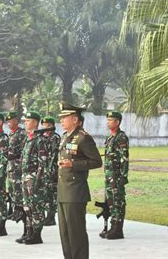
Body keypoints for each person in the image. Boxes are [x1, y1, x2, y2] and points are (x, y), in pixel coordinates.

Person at [57, 101, 102, 259]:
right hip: (63, 191)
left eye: (65, 117)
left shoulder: (83, 138)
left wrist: (73, 164)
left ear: (75, 119)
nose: (61, 120)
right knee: (65, 233)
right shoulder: (64, 137)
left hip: (75, 192)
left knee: (76, 233)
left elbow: (97, 161)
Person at [18, 111, 49, 245]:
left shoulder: (40, 140)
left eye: (28, 121)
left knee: (36, 206)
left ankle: (37, 234)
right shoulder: (28, 138)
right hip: (25, 176)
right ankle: (29, 231)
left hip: (34, 177)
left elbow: (43, 162)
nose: (25, 123)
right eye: (25, 121)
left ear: (36, 123)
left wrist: (38, 180)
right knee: (27, 206)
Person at [101, 111, 129, 239]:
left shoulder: (121, 137)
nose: (108, 122)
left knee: (118, 201)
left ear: (117, 122)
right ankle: (112, 226)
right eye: (107, 120)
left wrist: (123, 175)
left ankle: (118, 229)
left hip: (117, 176)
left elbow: (124, 157)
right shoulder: (109, 138)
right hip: (109, 175)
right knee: (111, 201)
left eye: (110, 120)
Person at [5, 111, 27, 222]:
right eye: (7, 122)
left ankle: (20, 211)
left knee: (18, 190)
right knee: (12, 189)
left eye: (10, 121)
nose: (9, 123)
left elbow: (24, 150)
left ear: (16, 121)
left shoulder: (21, 133)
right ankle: (15, 211)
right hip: (10, 166)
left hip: (17, 166)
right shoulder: (10, 134)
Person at [41, 116, 61, 226]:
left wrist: (51, 170)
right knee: (46, 193)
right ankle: (48, 215)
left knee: (52, 193)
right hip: (44, 170)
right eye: (44, 125)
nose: (45, 127)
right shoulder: (44, 138)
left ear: (52, 126)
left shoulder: (55, 138)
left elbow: (54, 155)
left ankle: (51, 216)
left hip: (52, 170)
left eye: (48, 125)